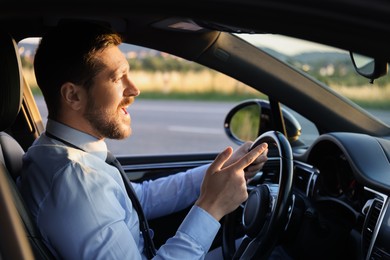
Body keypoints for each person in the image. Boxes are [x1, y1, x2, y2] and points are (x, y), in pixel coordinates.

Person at [18, 21, 268, 259]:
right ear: (73, 96)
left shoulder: (53, 150)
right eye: (118, 78)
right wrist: (211, 207)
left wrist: (222, 172)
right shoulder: (77, 183)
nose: (134, 89)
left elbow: (140, 199)